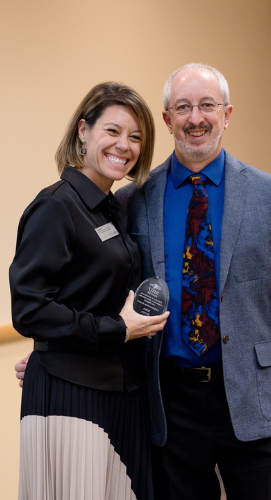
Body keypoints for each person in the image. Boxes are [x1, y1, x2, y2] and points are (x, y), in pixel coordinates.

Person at [116, 63, 271, 499]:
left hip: (255, 399)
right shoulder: (134, 200)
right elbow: (105, 292)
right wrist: (53, 353)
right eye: (183, 107)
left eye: (207, 105)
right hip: (169, 407)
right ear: (168, 119)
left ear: (227, 114)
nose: (196, 118)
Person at [10, 81, 169, 500]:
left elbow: (82, 295)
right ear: (84, 131)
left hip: (121, 392)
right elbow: (29, 310)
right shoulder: (56, 206)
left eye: (136, 137)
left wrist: (62, 341)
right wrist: (113, 329)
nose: (125, 145)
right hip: (73, 397)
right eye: (113, 131)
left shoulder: (113, 208)